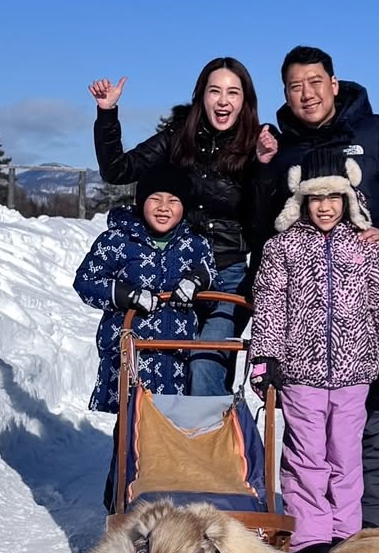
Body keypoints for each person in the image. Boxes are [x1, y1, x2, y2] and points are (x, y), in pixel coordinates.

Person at [257, 46, 379, 530]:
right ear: (286, 93)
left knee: (370, 423)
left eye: (315, 82)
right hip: (305, 319)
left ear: (334, 83)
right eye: (295, 86)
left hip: (361, 309)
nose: (307, 93)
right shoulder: (281, 146)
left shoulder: (377, 133)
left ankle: (371, 530)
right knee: (309, 435)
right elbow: (265, 221)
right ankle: (313, 530)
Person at [249, 157, 379, 553]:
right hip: (301, 372)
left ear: (348, 198)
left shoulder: (366, 246)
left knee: (346, 454)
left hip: (355, 373)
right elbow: (270, 306)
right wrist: (266, 357)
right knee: (306, 456)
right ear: (301, 200)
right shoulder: (282, 247)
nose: (324, 206)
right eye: (315, 198)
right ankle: (310, 535)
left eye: (333, 197)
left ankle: (345, 532)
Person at [89, 58, 279, 395]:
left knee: (206, 362)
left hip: (227, 274)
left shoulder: (258, 146)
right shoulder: (178, 140)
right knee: (167, 367)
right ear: (201, 97)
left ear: (245, 101)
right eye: (215, 91)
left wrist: (265, 167)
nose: (223, 100)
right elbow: (118, 170)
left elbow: (266, 220)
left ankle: (212, 446)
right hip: (175, 270)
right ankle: (161, 445)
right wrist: (107, 114)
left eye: (233, 92)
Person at [73, 162, 215, 409]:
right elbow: (86, 281)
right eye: (155, 199)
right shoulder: (118, 239)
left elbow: (215, 285)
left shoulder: (195, 243)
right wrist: (126, 295)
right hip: (129, 355)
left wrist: (198, 281)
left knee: (168, 432)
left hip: (174, 357)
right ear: (141, 202)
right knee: (130, 427)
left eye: (173, 201)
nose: (163, 208)